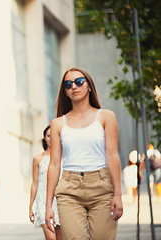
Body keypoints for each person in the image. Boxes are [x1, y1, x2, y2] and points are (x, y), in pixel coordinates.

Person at [45, 67, 123, 240]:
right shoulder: (58, 123)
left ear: (89, 86)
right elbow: (55, 165)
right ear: (65, 92)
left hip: (102, 188)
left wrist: (118, 194)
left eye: (79, 81)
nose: (74, 86)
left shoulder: (106, 116)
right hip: (69, 190)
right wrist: (48, 205)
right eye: (68, 84)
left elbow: (112, 156)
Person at [29, 125, 62, 240]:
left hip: (61, 202)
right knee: (51, 238)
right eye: (49, 135)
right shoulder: (38, 159)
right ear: (44, 139)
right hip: (42, 202)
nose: (51, 138)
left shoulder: (64, 158)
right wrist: (30, 206)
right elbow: (34, 183)